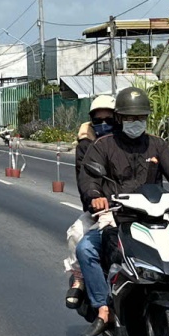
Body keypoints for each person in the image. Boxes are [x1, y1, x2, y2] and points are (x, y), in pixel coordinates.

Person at [74, 86, 169, 336]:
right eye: (130, 117)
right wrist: (96, 196)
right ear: (119, 118)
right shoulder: (103, 146)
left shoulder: (157, 145)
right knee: (86, 249)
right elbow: (89, 178)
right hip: (117, 217)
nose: (135, 122)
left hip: (154, 216)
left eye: (140, 117)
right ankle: (103, 308)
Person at [63, 94, 115, 310]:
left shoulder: (130, 143)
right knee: (77, 234)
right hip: (101, 208)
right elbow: (85, 180)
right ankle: (79, 278)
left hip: (134, 208)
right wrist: (95, 201)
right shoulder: (86, 145)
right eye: (98, 120)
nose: (104, 124)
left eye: (109, 120)